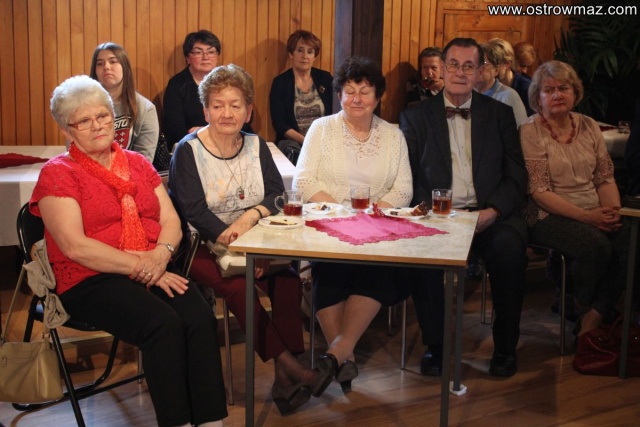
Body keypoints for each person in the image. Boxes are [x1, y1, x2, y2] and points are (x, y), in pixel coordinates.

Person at [31, 75, 227, 427]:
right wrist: (144, 266)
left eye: (103, 115)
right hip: (91, 278)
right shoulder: (58, 173)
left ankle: (212, 421)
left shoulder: (137, 162)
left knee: (198, 315)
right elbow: (75, 246)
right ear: (66, 130)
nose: (97, 125)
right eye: (84, 121)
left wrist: (160, 256)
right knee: (161, 323)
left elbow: (170, 220)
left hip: (154, 264)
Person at [169, 64, 320, 415]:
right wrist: (236, 243)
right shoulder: (187, 150)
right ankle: (294, 368)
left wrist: (251, 223)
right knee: (239, 288)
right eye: (218, 105)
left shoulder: (256, 145)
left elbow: (276, 195)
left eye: (235, 105)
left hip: (256, 239)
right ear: (205, 110)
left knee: (287, 282)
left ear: (248, 111)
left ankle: (283, 379)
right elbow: (193, 209)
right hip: (201, 245)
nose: (227, 113)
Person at [399, 38, 528, 378]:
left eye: (468, 66)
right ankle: (436, 346)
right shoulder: (415, 115)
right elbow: (407, 175)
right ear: (442, 69)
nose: (460, 72)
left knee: (510, 251)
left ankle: (505, 348)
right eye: (453, 65)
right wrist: (427, 213)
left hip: (489, 215)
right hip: (437, 216)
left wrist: (493, 212)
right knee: (422, 253)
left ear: (480, 71)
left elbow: (516, 175)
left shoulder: (499, 114)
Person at [294, 57, 413, 394]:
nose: (356, 98)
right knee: (329, 268)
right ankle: (343, 358)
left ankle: (335, 356)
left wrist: (371, 217)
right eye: (349, 91)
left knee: (376, 268)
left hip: (377, 226)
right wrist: (342, 214)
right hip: (331, 223)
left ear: (377, 97)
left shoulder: (393, 135)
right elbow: (304, 181)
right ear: (339, 95)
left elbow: (403, 189)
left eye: (365, 91)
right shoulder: (321, 129)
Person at [520, 60, 629, 337]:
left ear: (574, 92)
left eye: (563, 88)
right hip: (547, 213)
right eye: (549, 90)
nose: (557, 94)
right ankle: (583, 306)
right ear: (538, 98)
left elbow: (604, 178)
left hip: (593, 208)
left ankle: (594, 313)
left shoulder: (589, 125)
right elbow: (539, 192)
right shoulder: (530, 130)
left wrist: (611, 212)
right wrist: (588, 217)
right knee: (594, 245)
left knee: (630, 237)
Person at [163, 30, 254, 150]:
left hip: (233, 140)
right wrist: (204, 135)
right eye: (198, 52)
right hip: (192, 144)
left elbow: (247, 118)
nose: (205, 57)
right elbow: (175, 128)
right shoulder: (177, 85)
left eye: (211, 52)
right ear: (187, 58)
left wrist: (209, 131)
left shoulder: (231, 80)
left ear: (217, 56)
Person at [269, 30, 333, 163]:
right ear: (291, 54)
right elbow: (280, 125)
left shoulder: (326, 79)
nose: (305, 56)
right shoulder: (281, 82)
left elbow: (336, 114)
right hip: (295, 146)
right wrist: (308, 142)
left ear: (314, 56)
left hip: (326, 144)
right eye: (300, 50)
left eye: (310, 52)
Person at [89, 42, 159, 162]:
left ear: (124, 67)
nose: (106, 67)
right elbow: (75, 150)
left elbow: (144, 160)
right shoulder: (82, 107)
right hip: (89, 170)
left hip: (131, 172)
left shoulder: (146, 108)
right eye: (100, 63)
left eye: (113, 61)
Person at [475, 43, 528, 127]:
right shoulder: (464, 94)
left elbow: (521, 131)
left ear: (496, 70)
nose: (477, 68)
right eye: (473, 63)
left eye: (483, 63)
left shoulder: (508, 97)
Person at [488, 38, 534, 116]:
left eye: (496, 64)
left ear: (507, 64)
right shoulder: (485, 82)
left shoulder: (527, 88)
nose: (491, 69)